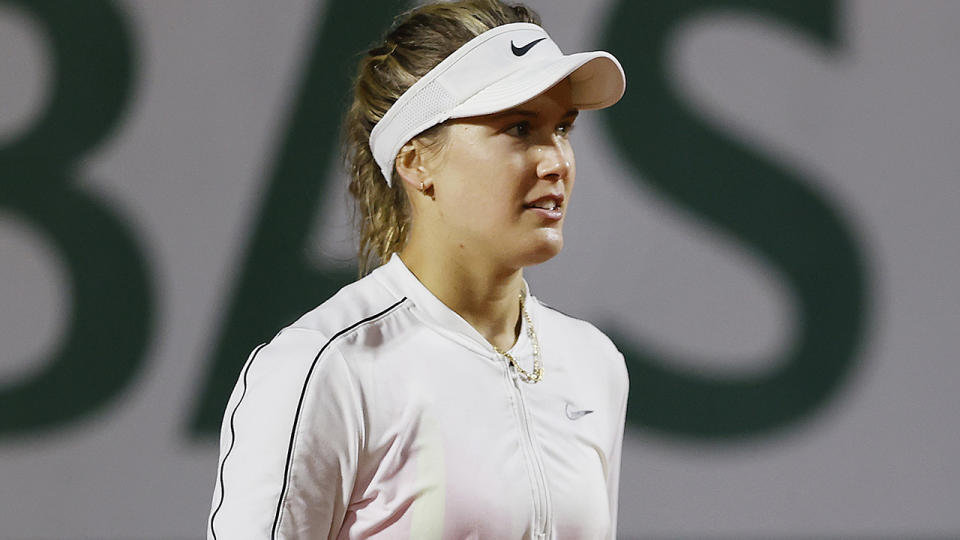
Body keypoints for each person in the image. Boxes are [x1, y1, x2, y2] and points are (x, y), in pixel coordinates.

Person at [207, 0, 628, 538]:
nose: (557, 162)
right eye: (520, 129)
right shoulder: (325, 368)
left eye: (562, 128)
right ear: (416, 162)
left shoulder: (594, 364)